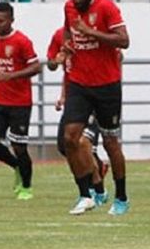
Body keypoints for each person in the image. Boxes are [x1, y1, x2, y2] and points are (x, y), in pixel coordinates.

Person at [61, 0, 129, 216]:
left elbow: (124, 40)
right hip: (80, 83)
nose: (77, 2)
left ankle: (121, 197)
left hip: (107, 85)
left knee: (111, 143)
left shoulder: (106, 7)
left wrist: (91, 33)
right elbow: (68, 31)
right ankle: (85, 194)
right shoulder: (69, 7)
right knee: (69, 138)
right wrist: (67, 44)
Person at [0, 2, 40, 200]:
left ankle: (26, 187)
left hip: (20, 103)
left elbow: (37, 67)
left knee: (19, 147)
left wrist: (12, 76)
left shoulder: (22, 41)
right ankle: (17, 167)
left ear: (11, 20)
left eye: (1, 21)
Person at [46, 26, 109, 205]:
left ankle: (95, 190)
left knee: (82, 142)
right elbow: (54, 65)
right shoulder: (60, 35)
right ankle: (96, 178)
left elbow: (117, 55)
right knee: (64, 145)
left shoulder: (94, 34)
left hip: (94, 97)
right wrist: (56, 61)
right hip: (74, 99)